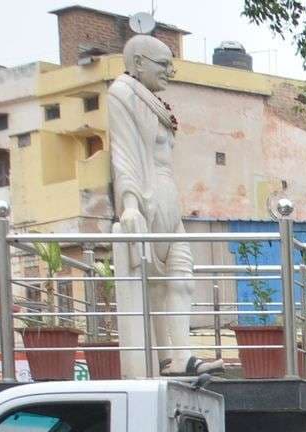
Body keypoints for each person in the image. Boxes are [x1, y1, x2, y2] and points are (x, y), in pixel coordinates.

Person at [108, 33, 194, 375]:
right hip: (148, 198)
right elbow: (123, 153)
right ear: (138, 63)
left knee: (181, 280)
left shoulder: (153, 102)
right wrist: (129, 203)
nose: (170, 71)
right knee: (158, 283)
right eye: (163, 64)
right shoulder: (123, 94)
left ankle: (183, 356)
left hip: (169, 198)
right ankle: (169, 358)